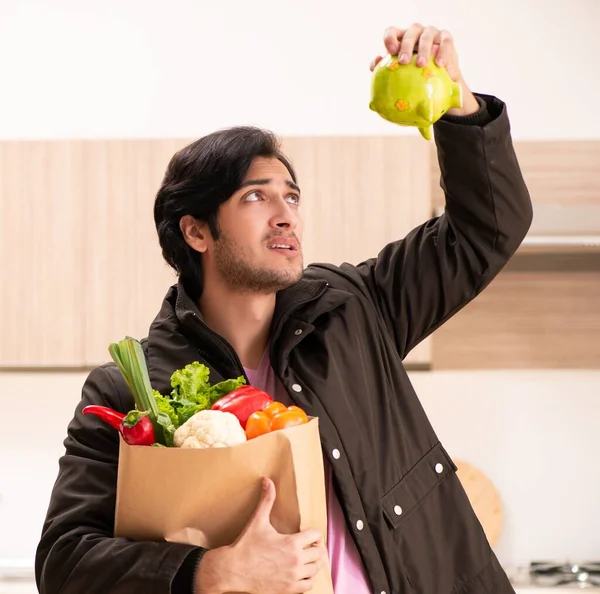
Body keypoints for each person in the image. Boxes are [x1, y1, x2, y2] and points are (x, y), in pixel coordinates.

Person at [35, 22, 532, 594]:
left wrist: (457, 103)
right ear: (196, 231)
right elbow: (66, 561)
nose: (286, 214)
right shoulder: (130, 391)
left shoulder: (355, 310)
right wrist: (207, 572)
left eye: (291, 195)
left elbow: (487, 230)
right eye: (256, 196)